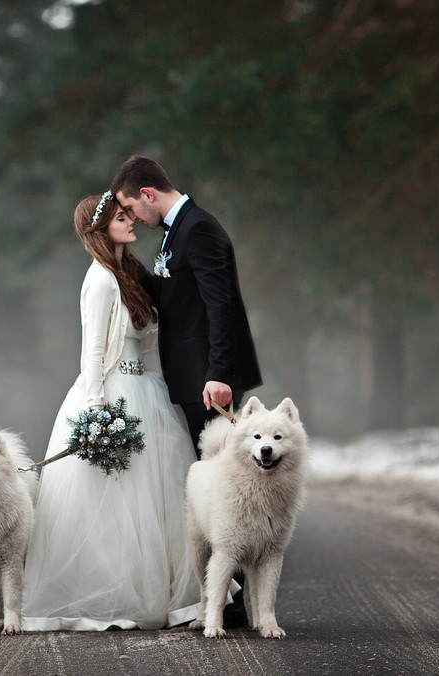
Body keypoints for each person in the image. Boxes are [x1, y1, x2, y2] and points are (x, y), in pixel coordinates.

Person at [20, 193, 205, 631]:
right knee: (115, 503)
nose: (132, 222)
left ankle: (161, 596)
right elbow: (93, 352)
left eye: (129, 215)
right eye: (122, 218)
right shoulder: (100, 280)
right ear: (100, 229)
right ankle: (113, 599)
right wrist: (96, 412)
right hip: (112, 395)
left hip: (145, 390)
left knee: (153, 499)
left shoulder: (128, 275)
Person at [110, 154, 262, 629]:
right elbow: (177, 296)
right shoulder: (176, 232)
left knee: (227, 487)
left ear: (148, 195)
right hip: (193, 376)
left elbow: (222, 306)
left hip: (209, 381)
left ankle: (233, 603)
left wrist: (219, 373)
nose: (132, 217)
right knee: (216, 487)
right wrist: (123, 266)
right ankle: (224, 596)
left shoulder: (200, 229)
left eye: (131, 208)